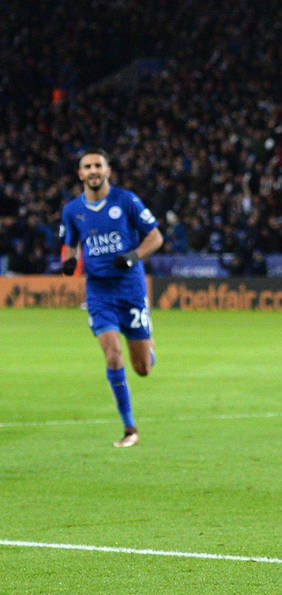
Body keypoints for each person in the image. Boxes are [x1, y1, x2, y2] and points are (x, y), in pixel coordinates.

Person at [60, 148, 163, 447]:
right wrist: (69, 260)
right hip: (99, 291)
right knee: (112, 352)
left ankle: (149, 343)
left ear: (107, 171)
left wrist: (133, 256)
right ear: (80, 174)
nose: (93, 171)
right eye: (87, 166)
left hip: (130, 289)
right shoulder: (72, 210)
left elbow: (155, 237)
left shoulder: (126, 200)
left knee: (142, 368)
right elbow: (71, 244)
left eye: (98, 165)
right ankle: (130, 428)